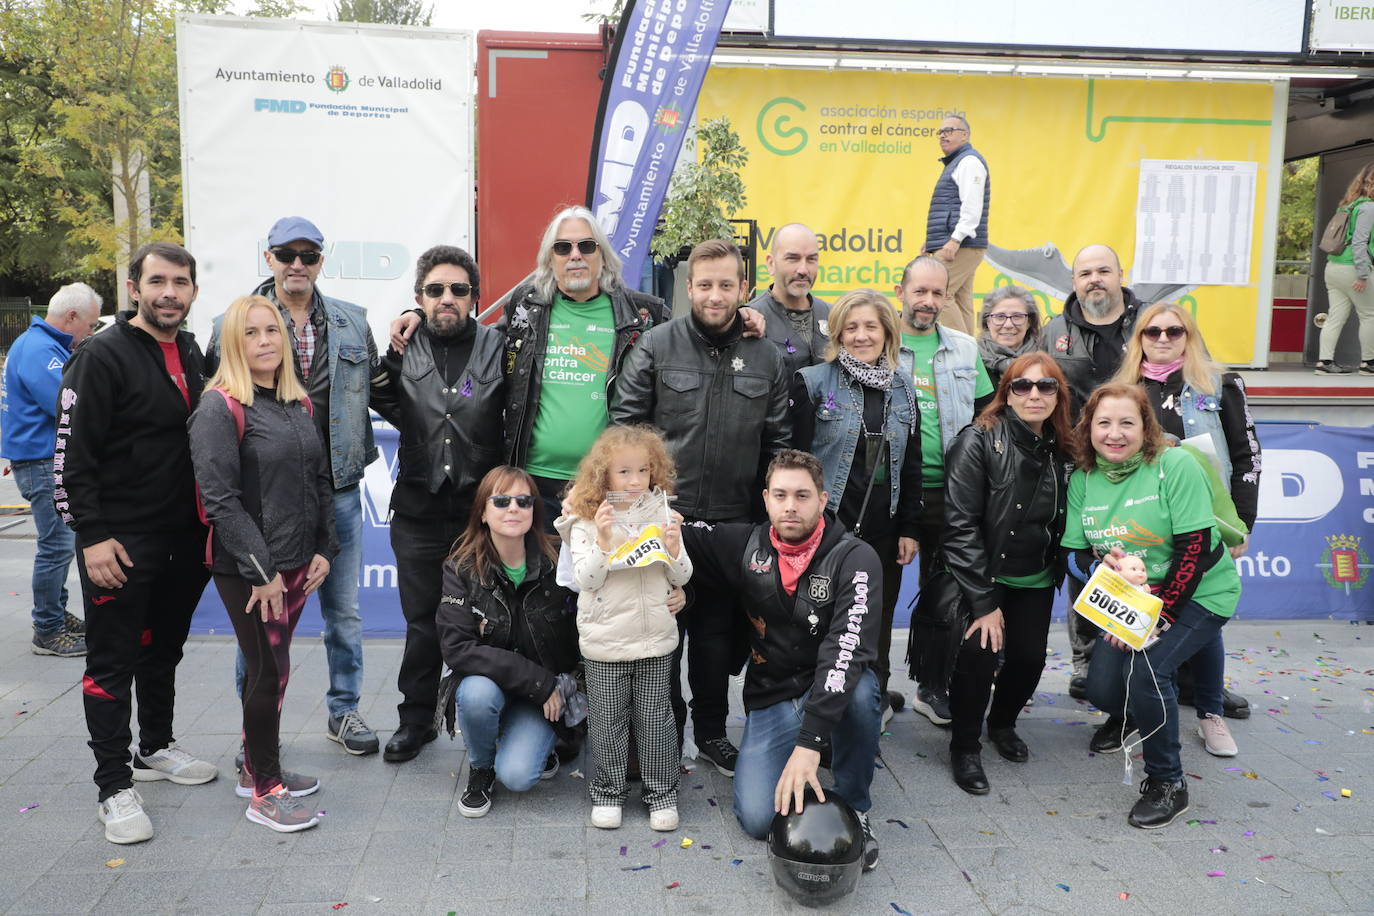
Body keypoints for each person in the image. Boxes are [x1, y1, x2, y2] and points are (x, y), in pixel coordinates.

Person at [611, 237, 791, 777]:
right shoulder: (656, 345)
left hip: (735, 525)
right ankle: (663, 731)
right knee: (662, 636)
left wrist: (766, 524)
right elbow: (627, 431)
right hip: (666, 523)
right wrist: (640, 513)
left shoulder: (766, 356)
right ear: (688, 288)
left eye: (726, 285)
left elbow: (779, 446)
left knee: (715, 642)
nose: (715, 295)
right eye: (705, 285)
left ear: (745, 289)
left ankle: (712, 732)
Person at [56, 242, 218, 844]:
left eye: (180, 281)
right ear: (134, 289)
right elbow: (70, 458)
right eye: (157, 281)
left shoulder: (195, 353)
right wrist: (91, 537)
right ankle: (112, 785)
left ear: (193, 291)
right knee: (112, 662)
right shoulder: (100, 355)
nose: (169, 292)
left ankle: (155, 747)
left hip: (183, 540)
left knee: (163, 649)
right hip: (118, 543)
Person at [206, 216, 383, 757]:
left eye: (308, 254)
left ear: (321, 261)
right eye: (287, 254)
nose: (297, 264)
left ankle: (344, 710)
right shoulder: (233, 324)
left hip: (340, 490)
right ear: (270, 258)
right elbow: (214, 402)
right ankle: (253, 731)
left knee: (343, 613)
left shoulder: (353, 322)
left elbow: (384, 390)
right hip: (267, 497)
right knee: (260, 621)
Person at [681, 449, 883, 871]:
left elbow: (846, 652)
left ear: (823, 500)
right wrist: (589, 505)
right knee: (757, 819)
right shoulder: (745, 542)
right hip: (772, 692)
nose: (791, 505)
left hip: (831, 684)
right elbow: (675, 532)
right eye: (781, 494)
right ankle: (807, 745)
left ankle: (856, 803)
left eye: (803, 496)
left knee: (862, 693)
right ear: (766, 499)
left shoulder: (856, 557)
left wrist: (809, 743)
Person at [189, 295, 337, 832]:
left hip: (296, 564)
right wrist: (263, 572)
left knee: (275, 671)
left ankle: (258, 766)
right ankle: (265, 791)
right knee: (265, 671)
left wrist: (325, 548)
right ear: (233, 343)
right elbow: (219, 501)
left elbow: (318, 480)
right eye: (250, 333)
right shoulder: (218, 407)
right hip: (250, 572)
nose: (265, 341)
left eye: (271, 330)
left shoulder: (299, 404)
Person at [1065, 383, 1242, 829]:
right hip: (1134, 599)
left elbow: (1197, 548)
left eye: (1128, 422)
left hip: (1201, 592)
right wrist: (1104, 580)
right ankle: (1138, 713)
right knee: (1103, 691)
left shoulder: (1174, 464)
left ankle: (1168, 783)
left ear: (1147, 427)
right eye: (1104, 423)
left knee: (1148, 670)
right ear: (1089, 429)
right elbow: (1072, 555)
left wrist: (1154, 617)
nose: (1115, 433)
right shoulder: (1083, 479)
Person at [369, 245, 506, 763]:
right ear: (419, 297)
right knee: (423, 621)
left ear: (474, 296)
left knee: (496, 617)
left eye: (458, 290)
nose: (447, 298)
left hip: (486, 512)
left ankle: (501, 718)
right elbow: (386, 398)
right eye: (435, 290)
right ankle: (415, 720)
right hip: (420, 510)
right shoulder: (403, 350)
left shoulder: (500, 346)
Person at [1113, 302, 1262, 746]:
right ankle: (1142, 707)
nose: (1162, 338)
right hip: (1140, 526)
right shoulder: (1122, 389)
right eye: (1152, 331)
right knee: (1143, 613)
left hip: (1206, 522)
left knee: (1202, 614)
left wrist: (1241, 524)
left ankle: (1210, 711)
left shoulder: (1220, 383)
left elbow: (1247, 455)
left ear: (1189, 336)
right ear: (1138, 339)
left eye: (1174, 331)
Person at [941, 355, 1071, 794]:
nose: (1034, 394)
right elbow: (959, 526)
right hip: (986, 576)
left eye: (1046, 386)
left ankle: (1002, 724)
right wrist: (984, 602)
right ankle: (964, 746)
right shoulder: (978, 440)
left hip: (1036, 576)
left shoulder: (1065, 445)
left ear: (1059, 394)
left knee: (1029, 660)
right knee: (978, 660)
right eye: (1022, 386)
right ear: (1006, 392)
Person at [791, 289, 921, 725]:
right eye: (852, 327)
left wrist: (910, 527)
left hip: (885, 526)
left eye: (871, 326)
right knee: (822, 616)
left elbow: (913, 461)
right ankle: (815, 704)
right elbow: (795, 458)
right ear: (838, 332)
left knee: (877, 617)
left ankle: (872, 700)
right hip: (828, 527)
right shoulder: (812, 382)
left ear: (887, 332)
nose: (862, 336)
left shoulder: (904, 388)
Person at [555, 425, 691, 831]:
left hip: (655, 641)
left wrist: (674, 545)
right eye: (624, 472)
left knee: (655, 719)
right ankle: (608, 792)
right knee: (608, 721)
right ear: (604, 475)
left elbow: (682, 577)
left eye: (643, 471)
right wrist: (602, 538)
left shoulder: (663, 512)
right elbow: (587, 580)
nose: (635, 481)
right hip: (604, 642)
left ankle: (662, 794)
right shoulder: (584, 519)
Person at [436, 466, 582, 819]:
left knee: (518, 777)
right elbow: (457, 649)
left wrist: (676, 593)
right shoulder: (461, 568)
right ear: (483, 513)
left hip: (546, 696)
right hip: (504, 685)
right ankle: (482, 768)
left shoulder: (562, 561)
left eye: (523, 501)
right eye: (500, 501)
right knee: (475, 694)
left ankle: (541, 741)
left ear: (534, 511)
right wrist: (537, 680)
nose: (513, 508)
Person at [1039, 244, 1144, 698]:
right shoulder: (1053, 332)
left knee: (1150, 559)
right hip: (1077, 468)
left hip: (1140, 464)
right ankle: (1087, 665)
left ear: (1122, 274)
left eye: (1104, 270)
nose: (1094, 279)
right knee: (1085, 562)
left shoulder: (1149, 324)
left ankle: (1178, 669)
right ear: (1074, 281)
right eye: (1085, 273)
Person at [893, 255, 994, 725]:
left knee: (944, 597)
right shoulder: (880, 343)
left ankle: (932, 688)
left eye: (939, 293)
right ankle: (871, 688)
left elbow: (986, 417)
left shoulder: (965, 349)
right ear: (902, 292)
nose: (930, 302)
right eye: (921, 292)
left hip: (955, 495)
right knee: (875, 591)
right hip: (893, 495)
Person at [1, 282, 101, 657]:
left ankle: (54, 613)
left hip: (40, 460)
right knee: (56, 547)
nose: (90, 333)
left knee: (57, 545)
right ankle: (47, 628)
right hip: (43, 462)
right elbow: (68, 405)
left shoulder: (36, 344)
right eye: (90, 325)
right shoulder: (42, 350)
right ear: (72, 317)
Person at [923, 115, 990, 336]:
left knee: (938, 295)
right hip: (960, 244)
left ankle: (961, 353)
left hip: (962, 245)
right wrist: (933, 242)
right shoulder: (958, 162)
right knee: (962, 302)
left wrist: (955, 240)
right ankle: (971, 359)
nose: (943, 136)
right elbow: (950, 207)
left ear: (965, 135)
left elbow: (972, 206)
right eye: (940, 132)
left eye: (949, 130)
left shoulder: (969, 162)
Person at [749, 223, 830, 379]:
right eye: (793, 259)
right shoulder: (751, 321)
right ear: (771, 263)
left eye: (811, 260)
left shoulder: (834, 317)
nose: (803, 270)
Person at [1317, 163, 1374, 375]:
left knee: (1335, 316)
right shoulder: (1368, 207)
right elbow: (1359, 243)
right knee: (1370, 315)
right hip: (1353, 268)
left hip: (1333, 267)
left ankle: (1324, 363)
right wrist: (1362, 274)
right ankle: (1368, 364)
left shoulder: (1348, 205)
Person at [975, 285, 1041, 388]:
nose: (1008, 325)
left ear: (1029, 322)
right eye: (1000, 317)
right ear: (988, 321)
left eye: (1017, 316)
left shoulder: (1044, 361)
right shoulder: (972, 359)